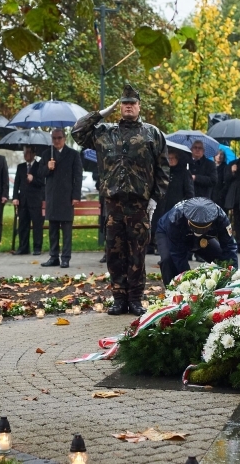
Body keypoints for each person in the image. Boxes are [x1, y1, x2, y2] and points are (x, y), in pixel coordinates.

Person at [73, 84, 169, 315]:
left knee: (137, 253)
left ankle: (135, 299)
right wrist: (101, 113)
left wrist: (155, 198)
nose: (128, 107)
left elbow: (163, 170)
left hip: (139, 204)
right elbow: (77, 133)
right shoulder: (105, 132)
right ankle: (118, 298)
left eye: (132, 103)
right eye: (124, 103)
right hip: (113, 204)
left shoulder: (152, 133)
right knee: (115, 252)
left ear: (139, 106)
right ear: (119, 107)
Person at [155, 197, 238, 286]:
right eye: (196, 228)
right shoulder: (175, 217)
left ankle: (220, 287)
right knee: (168, 260)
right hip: (168, 234)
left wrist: (234, 275)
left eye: (202, 228)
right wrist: (188, 279)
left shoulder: (220, 217)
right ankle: (172, 292)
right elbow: (177, 253)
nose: (198, 231)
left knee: (221, 257)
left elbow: (229, 247)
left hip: (203, 238)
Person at [39, 128, 82, 268]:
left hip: (67, 196)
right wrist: (48, 167)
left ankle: (65, 258)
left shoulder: (73, 154)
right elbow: (40, 173)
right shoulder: (46, 154)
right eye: (54, 138)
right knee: (52, 229)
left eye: (59, 138)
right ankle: (53, 257)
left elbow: (78, 176)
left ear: (64, 138)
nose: (57, 141)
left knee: (66, 230)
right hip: (52, 196)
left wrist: (76, 195)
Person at [148, 149, 193, 255]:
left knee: (172, 228)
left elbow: (189, 191)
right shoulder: (162, 171)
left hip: (175, 205)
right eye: (169, 158)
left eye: (173, 158)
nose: (170, 160)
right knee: (159, 225)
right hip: (161, 204)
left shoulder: (184, 172)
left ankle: (170, 248)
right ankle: (157, 246)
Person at [12, 146, 45, 255]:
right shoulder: (20, 167)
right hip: (23, 200)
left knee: (37, 225)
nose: (26, 155)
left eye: (29, 152)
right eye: (25, 152)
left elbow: (42, 182)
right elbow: (17, 183)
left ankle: (37, 247)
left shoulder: (39, 166)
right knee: (23, 225)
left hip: (36, 200)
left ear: (34, 153)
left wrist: (33, 179)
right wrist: (15, 197)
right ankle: (23, 247)